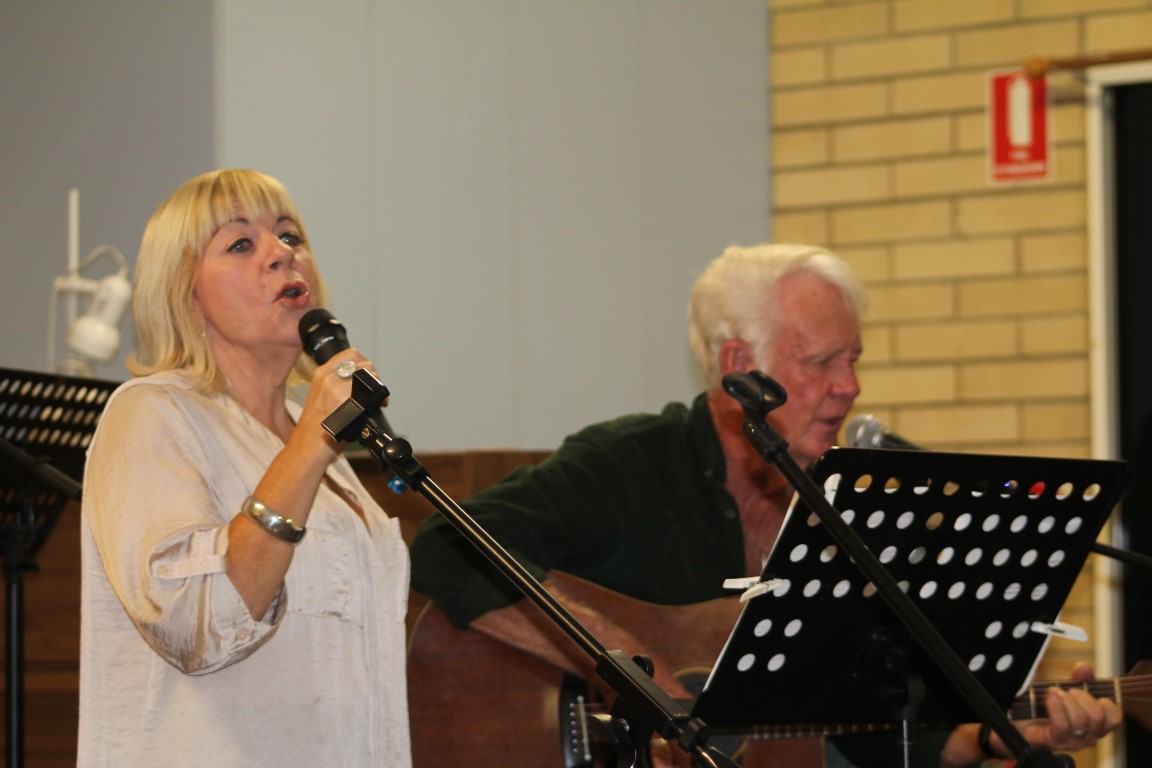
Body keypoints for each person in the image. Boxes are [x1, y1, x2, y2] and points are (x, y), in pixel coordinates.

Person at [409, 243, 1122, 768]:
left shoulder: (852, 512)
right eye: (821, 363)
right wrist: (629, 666)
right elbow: (446, 546)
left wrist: (999, 734)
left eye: (855, 360)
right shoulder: (628, 465)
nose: (850, 388)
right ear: (737, 368)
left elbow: (877, 733)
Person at [78, 169, 412, 767]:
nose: (281, 253)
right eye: (240, 243)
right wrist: (312, 442)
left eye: (290, 235)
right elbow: (192, 623)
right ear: (185, 291)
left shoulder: (326, 463)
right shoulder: (152, 414)